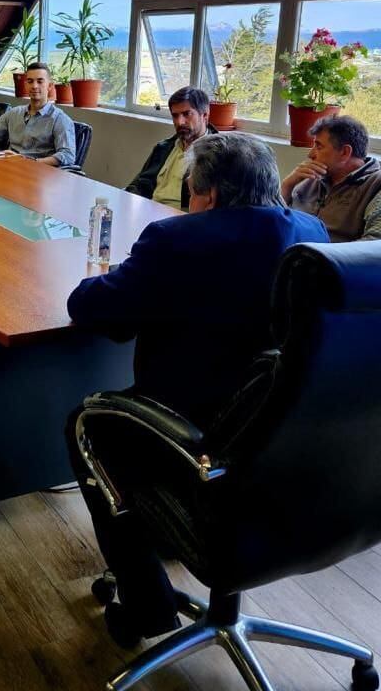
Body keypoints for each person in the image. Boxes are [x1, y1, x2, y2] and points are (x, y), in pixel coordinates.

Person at [65, 132, 329, 646]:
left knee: (86, 426)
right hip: (291, 445)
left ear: (206, 195)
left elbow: (98, 311)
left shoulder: (176, 240)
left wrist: (121, 274)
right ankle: (168, 531)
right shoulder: (310, 231)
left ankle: (146, 604)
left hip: (198, 440)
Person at [281, 115, 381, 242]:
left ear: (345, 152)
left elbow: (375, 243)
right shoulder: (311, 176)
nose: (310, 155)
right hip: (289, 254)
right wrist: (287, 186)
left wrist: (313, 256)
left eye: (319, 146)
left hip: (326, 259)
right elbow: (275, 221)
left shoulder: (376, 184)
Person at [126, 86, 217, 209]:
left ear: (205, 115)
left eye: (186, 114)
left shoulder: (217, 154)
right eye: (175, 116)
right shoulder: (163, 147)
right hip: (148, 211)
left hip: (182, 220)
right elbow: (139, 184)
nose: (180, 122)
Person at [0, 62, 75, 166]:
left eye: (40, 81)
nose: (34, 86)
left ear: (50, 86)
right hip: (11, 168)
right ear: (26, 85)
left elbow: (67, 155)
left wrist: (31, 162)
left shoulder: (59, 119)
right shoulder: (14, 113)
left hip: (38, 173)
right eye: (30, 81)